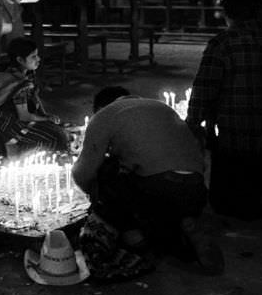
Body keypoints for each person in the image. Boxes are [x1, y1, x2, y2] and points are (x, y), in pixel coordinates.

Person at [72, 86, 224, 281]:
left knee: (106, 170)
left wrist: (95, 196)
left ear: (100, 107)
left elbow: (83, 172)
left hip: (157, 189)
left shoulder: (104, 115)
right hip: (195, 188)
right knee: (163, 208)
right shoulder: (161, 108)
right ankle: (185, 221)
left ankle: (134, 236)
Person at [187, 0, 262, 221]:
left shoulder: (222, 45)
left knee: (223, 205)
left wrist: (191, 127)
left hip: (232, 146)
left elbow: (202, 94)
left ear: (226, 8)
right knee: (250, 186)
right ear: (261, 7)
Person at [0, 37, 69, 155]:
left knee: (62, 130)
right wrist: (46, 119)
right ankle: (25, 154)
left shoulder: (26, 75)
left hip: (18, 119)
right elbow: (24, 116)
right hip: (10, 126)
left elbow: (34, 97)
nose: (38, 59)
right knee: (58, 137)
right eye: (33, 57)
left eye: (37, 55)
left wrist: (46, 115)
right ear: (20, 60)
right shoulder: (17, 83)